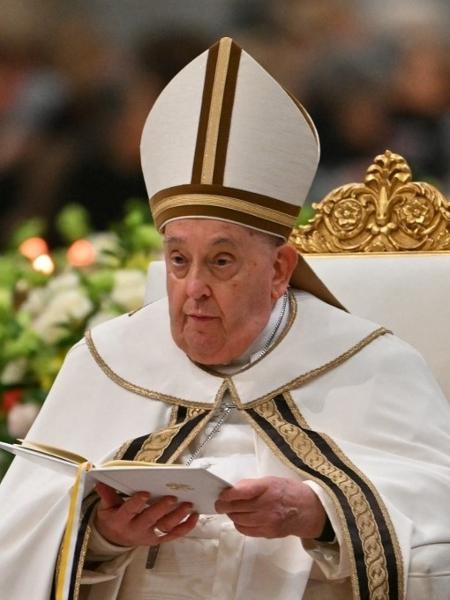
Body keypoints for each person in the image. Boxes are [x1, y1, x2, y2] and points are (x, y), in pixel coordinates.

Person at [1, 37, 450, 600]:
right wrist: (103, 536)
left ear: (280, 268)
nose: (193, 291)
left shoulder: (370, 363)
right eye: (178, 260)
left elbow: (437, 510)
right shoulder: (106, 360)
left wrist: (321, 513)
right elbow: (16, 534)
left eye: (221, 261)